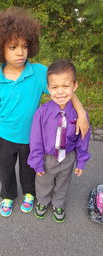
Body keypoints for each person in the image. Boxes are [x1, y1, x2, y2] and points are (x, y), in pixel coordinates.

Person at [0, 7, 89, 217]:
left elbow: (62, 89)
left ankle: (30, 194)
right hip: (4, 135)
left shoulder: (39, 72)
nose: (20, 52)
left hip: (32, 137)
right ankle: (7, 196)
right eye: (13, 47)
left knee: (29, 168)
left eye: (24, 46)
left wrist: (82, 113)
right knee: (6, 170)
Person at [28, 59, 90, 222]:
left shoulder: (80, 115)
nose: (60, 92)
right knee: (43, 182)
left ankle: (58, 204)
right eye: (55, 87)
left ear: (74, 86)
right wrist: (37, 161)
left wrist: (81, 161)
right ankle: (42, 202)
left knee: (63, 183)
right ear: (48, 89)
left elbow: (83, 139)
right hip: (47, 157)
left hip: (68, 157)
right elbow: (35, 140)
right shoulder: (41, 113)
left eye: (65, 86)